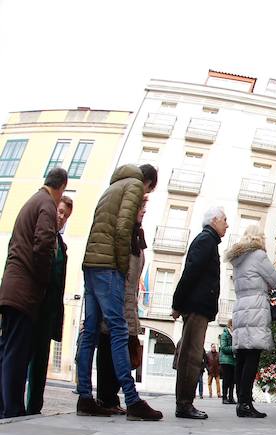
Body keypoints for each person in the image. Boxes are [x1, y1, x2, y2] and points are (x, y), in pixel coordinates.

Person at [76, 163, 161, 421]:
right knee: (119, 330)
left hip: (91, 264)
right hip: (108, 266)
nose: (145, 196)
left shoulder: (112, 187)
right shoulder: (134, 185)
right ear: (148, 183)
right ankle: (133, 400)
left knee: (90, 332)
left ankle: (85, 398)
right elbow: (124, 227)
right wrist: (122, 268)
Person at [0, 168, 67, 418]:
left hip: (10, 288)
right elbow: (43, 244)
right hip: (24, 291)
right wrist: (43, 281)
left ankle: (4, 407)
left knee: (7, 349)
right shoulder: (46, 204)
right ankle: (13, 409)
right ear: (61, 187)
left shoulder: (31, 201)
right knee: (17, 353)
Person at [171, 206, 227, 419]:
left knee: (191, 355)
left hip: (198, 306)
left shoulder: (209, 241)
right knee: (192, 356)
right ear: (214, 220)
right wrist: (177, 304)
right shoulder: (206, 241)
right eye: (224, 220)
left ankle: (184, 403)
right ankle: (184, 404)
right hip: (196, 306)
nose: (227, 224)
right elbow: (190, 273)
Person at [96, 195, 148, 415]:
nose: (144, 212)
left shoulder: (136, 237)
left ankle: (111, 398)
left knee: (122, 351)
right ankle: (105, 398)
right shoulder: (125, 236)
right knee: (110, 351)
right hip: (116, 303)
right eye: (141, 208)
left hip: (128, 304)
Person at [23, 195, 73, 415]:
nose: (61, 218)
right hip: (32, 305)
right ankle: (9, 406)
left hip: (49, 311)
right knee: (20, 356)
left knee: (41, 361)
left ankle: (34, 408)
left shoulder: (62, 245)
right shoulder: (38, 233)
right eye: (60, 212)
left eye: (66, 216)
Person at [226, 224, 276, 418]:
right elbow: (275, 279)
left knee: (242, 356)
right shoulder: (258, 256)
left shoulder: (238, 259)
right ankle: (246, 403)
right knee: (252, 356)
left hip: (241, 306)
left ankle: (241, 402)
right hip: (256, 307)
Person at [219, 322, 236, 404]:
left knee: (233, 380)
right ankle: (224, 397)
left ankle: (231, 397)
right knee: (226, 379)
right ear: (230, 325)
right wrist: (234, 348)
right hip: (225, 361)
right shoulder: (224, 334)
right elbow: (223, 347)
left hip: (233, 361)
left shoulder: (234, 335)